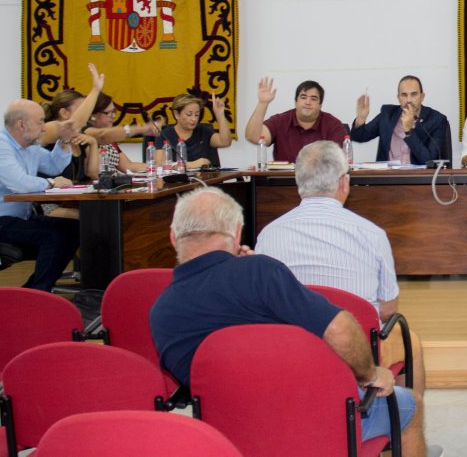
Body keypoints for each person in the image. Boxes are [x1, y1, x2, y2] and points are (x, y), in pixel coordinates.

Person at [149, 187, 436, 457]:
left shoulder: (160, 311)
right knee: (410, 405)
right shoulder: (259, 272)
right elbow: (339, 328)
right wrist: (370, 375)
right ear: (237, 234)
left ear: (174, 237)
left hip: (230, 434)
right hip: (320, 421)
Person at [256, 141, 426, 393]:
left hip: (291, 350)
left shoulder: (268, 235)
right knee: (410, 340)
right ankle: (404, 412)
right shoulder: (372, 234)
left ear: (298, 183)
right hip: (359, 356)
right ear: (344, 182)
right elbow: (388, 312)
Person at [0, 100, 82, 291]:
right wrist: (51, 182)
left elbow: (53, 166)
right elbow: (19, 184)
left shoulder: (28, 145)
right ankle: (37, 293)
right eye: (40, 122)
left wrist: (64, 141)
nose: (43, 128)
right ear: (21, 124)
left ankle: (32, 291)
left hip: (12, 219)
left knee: (75, 228)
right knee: (53, 235)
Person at [244, 78, 350, 163]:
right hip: (284, 184)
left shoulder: (333, 124)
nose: (308, 102)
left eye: (313, 99)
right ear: (296, 101)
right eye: (303, 97)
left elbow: (339, 161)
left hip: (321, 183)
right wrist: (263, 103)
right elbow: (253, 137)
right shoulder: (281, 120)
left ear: (320, 104)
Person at [351, 76, 451, 165]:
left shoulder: (436, 120)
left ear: (422, 97)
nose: (408, 100)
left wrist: (409, 131)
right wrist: (361, 118)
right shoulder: (387, 115)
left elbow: (429, 161)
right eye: (404, 95)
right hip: (387, 180)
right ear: (398, 98)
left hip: (420, 181)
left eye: (414, 94)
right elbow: (359, 137)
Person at [152, 93, 231, 169]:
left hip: (203, 181)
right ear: (177, 114)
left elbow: (225, 142)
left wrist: (220, 115)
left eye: (196, 114)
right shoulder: (164, 135)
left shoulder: (204, 131)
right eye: (189, 114)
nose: (194, 119)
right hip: (175, 181)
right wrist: (193, 164)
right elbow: (160, 164)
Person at [42, 89, 101, 181]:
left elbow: (93, 174)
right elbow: (72, 125)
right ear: (64, 113)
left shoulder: (81, 138)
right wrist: (95, 89)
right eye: (82, 110)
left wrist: (93, 143)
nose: (86, 115)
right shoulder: (49, 130)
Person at [84, 93, 151, 172]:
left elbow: (128, 166)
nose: (113, 116)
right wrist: (139, 129)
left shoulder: (110, 138)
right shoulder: (86, 133)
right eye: (108, 113)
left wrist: (157, 167)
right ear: (93, 115)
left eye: (114, 112)